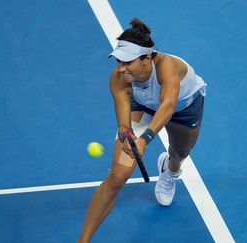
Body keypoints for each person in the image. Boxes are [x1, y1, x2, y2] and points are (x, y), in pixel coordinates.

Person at [77, 17, 206, 242]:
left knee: (179, 153)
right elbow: (124, 123)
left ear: (147, 58)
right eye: (118, 61)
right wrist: (126, 134)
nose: (121, 68)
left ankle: (170, 170)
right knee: (117, 177)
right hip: (143, 106)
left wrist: (144, 139)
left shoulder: (167, 67)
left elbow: (167, 108)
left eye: (128, 62)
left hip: (183, 107)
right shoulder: (119, 79)